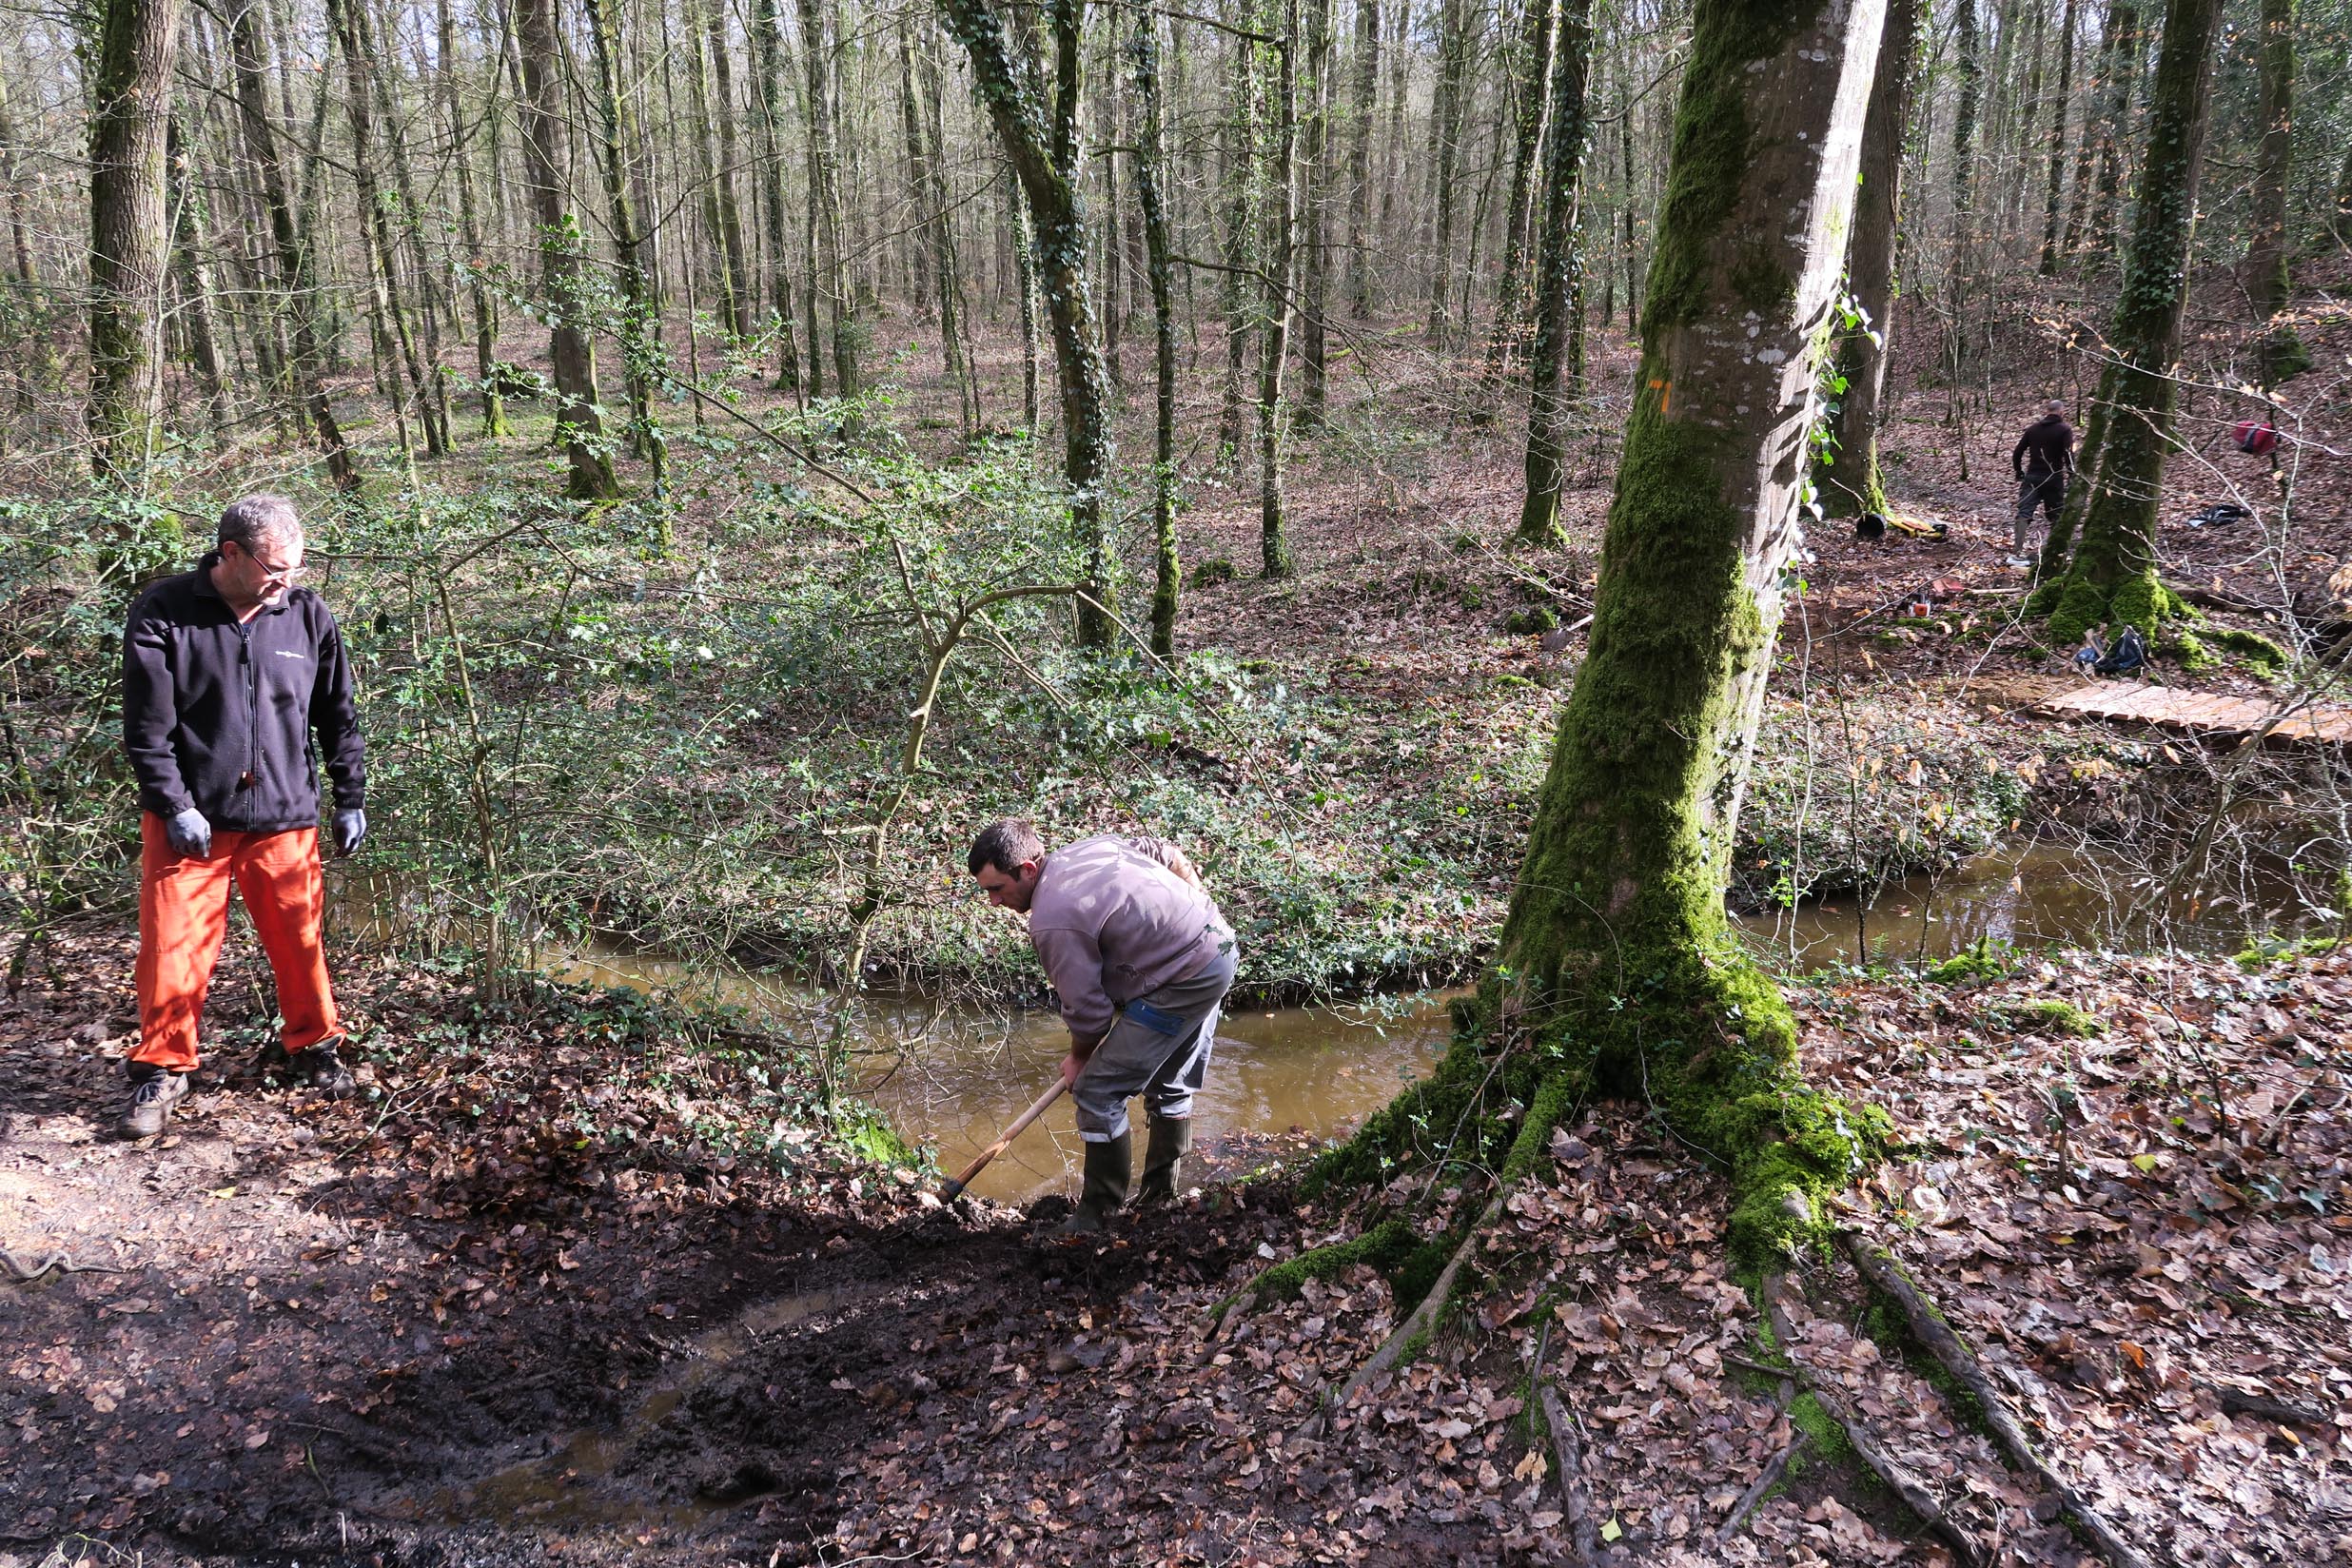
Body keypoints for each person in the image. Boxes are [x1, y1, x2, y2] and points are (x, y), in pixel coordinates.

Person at [116, 496, 367, 1139]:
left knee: (300, 942)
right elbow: (148, 731)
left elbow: (337, 715)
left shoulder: (307, 615)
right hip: (191, 820)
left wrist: (350, 796)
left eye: (296, 567)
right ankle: (162, 1066)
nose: (288, 581)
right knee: (173, 948)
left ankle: (311, 1046)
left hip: (284, 816)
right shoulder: (165, 612)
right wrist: (174, 805)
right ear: (231, 554)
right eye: (276, 568)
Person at [969, 818, 1238, 1234]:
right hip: (1218, 944)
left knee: (1097, 1091)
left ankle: (1098, 1216)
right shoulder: (1089, 849)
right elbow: (1163, 852)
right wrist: (1197, 908)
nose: (993, 901)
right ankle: (1159, 1198)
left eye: (997, 888)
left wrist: (1079, 1059)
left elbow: (1089, 1013)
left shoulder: (1052, 920)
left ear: (1027, 868)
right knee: (1169, 1084)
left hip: (1184, 979)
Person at [2010, 399, 2074, 563]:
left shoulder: (2033, 429)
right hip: (2054, 478)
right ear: (2062, 412)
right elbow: (2068, 454)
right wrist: (2072, 475)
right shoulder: (2064, 429)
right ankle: (2056, 552)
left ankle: (2017, 551)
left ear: (2047, 411)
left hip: (2032, 477)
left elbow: (2017, 452)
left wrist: (2019, 471)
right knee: (2056, 515)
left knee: (2024, 513)